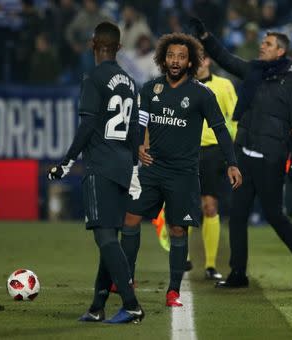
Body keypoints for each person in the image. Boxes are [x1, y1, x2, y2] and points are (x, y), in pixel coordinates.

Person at [189, 18, 292, 289]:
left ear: (280, 50)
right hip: (245, 155)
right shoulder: (254, 71)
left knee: (275, 216)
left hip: (270, 158)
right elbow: (225, 59)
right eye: (263, 42)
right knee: (237, 215)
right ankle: (238, 273)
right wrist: (205, 36)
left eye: (268, 44)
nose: (262, 46)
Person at [120, 32, 242, 307]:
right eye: (171, 56)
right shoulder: (150, 89)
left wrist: (232, 162)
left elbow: (221, 129)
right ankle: (126, 276)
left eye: (181, 57)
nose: (175, 61)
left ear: (190, 62)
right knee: (129, 217)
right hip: (152, 167)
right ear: (163, 58)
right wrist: (138, 144)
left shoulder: (202, 94)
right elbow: (138, 124)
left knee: (177, 229)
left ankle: (173, 290)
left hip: (184, 174)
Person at [47, 22, 144, 323]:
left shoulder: (93, 79)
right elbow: (133, 131)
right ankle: (97, 306)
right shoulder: (130, 81)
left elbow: (88, 124)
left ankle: (131, 304)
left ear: (92, 45)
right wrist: (135, 169)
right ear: (118, 47)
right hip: (122, 164)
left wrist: (66, 161)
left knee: (104, 237)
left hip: (100, 165)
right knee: (110, 236)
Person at [189, 52, 238, 279]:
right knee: (186, 206)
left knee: (210, 206)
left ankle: (210, 265)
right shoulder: (183, 85)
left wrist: (233, 156)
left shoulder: (224, 85)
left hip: (213, 152)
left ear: (208, 61)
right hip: (186, 151)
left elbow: (235, 118)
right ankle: (183, 260)